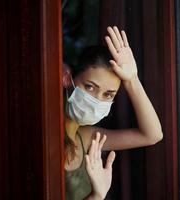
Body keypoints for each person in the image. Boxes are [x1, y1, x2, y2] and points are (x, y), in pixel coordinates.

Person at [63, 26, 163, 200]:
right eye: (90, 87)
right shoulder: (44, 134)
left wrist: (132, 80)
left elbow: (152, 135)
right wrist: (96, 196)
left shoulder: (87, 137)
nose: (97, 100)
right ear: (67, 79)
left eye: (108, 94)